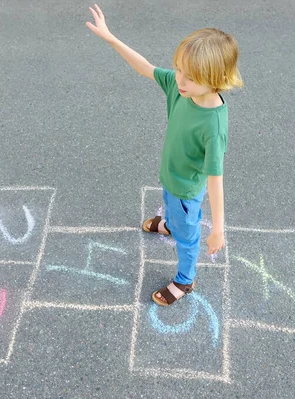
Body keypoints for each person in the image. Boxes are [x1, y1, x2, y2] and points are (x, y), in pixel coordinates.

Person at [86, 4, 243, 306]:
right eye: (179, 70)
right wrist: (111, 38)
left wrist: (219, 228)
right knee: (170, 205)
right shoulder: (184, 87)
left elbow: (215, 179)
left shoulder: (213, 126)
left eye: (189, 77)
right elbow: (145, 67)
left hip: (187, 191)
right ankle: (170, 223)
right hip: (171, 177)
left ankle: (185, 280)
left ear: (216, 79)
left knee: (187, 238)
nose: (179, 80)